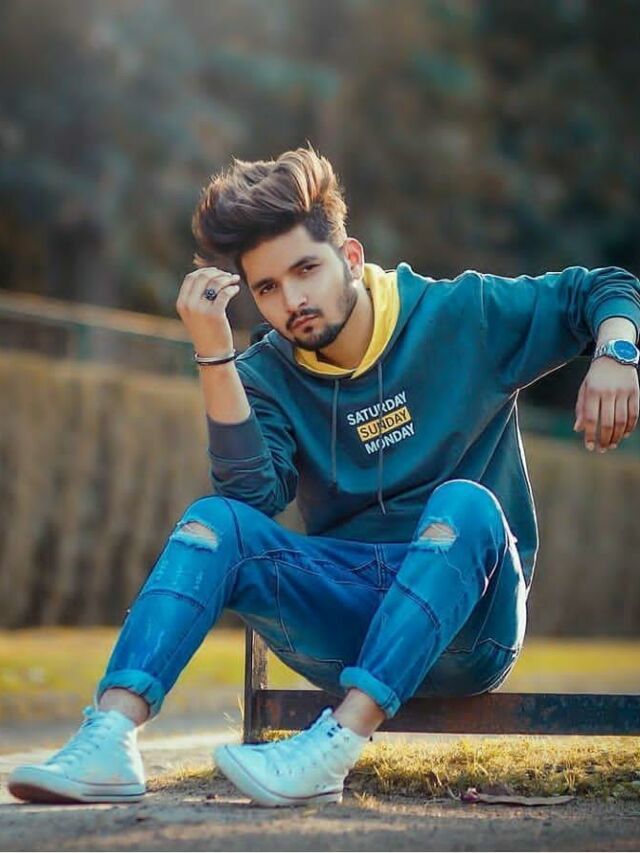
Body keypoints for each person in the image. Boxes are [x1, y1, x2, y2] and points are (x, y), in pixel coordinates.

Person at [8, 145, 640, 808]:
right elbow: (251, 499)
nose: (293, 301)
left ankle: (333, 748)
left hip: (468, 630)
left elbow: (603, 287)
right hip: (346, 622)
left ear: (352, 257)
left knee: (468, 505)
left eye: (306, 269)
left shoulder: (462, 315)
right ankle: (109, 739)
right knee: (213, 523)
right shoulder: (266, 373)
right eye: (267, 289)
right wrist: (215, 352)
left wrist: (617, 354)